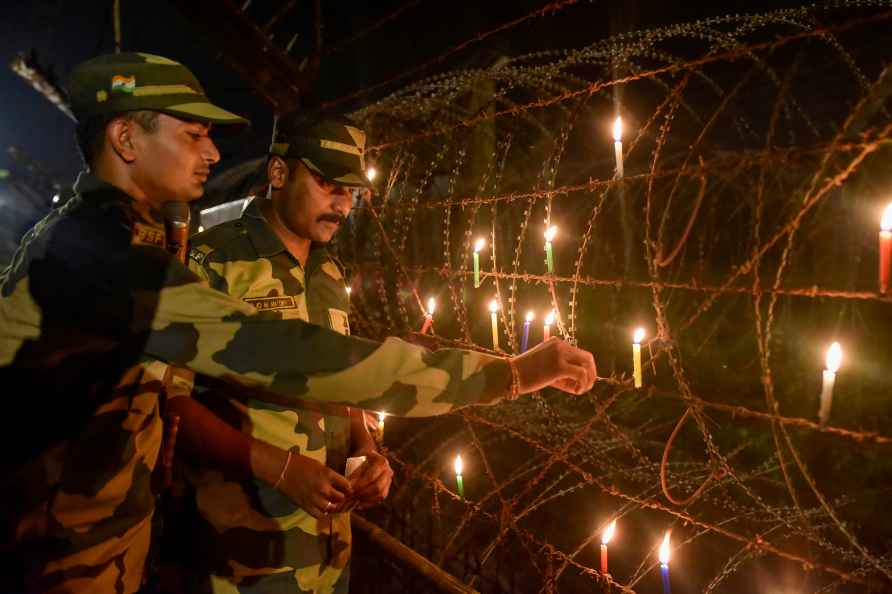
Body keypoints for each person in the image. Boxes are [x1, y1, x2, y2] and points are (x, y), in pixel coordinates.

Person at [0, 52, 596, 594]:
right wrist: (509, 375)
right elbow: (294, 356)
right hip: (78, 557)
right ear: (126, 138)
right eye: (192, 135)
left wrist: (364, 444)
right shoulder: (109, 260)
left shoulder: (132, 242)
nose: (211, 154)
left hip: (127, 548)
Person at [164, 114, 392, 593]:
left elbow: (338, 379)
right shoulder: (211, 263)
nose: (342, 205)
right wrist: (282, 469)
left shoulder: (329, 275)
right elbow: (170, 401)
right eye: (328, 183)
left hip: (326, 553)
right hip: (239, 555)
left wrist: (367, 450)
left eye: (350, 191)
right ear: (278, 174)